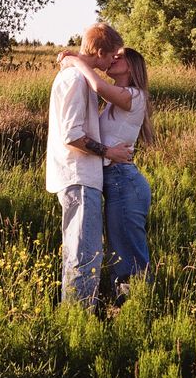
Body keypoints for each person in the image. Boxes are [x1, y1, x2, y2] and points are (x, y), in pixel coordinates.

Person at [46, 23, 132, 309]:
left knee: (83, 252)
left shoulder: (79, 77)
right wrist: (109, 152)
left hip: (83, 177)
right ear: (98, 52)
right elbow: (71, 135)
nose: (111, 63)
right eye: (110, 56)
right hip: (79, 177)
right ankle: (77, 320)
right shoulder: (75, 80)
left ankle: (79, 315)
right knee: (84, 255)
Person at [59, 47, 153, 303]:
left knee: (128, 256)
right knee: (119, 254)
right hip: (116, 182)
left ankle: (137, 310)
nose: (113, 58)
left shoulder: (135, 95)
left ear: (132, 67)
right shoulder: (115, 102)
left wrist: (76, 60)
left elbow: (98, 86)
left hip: (124, 182)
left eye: (120, 56)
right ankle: (126, 308)